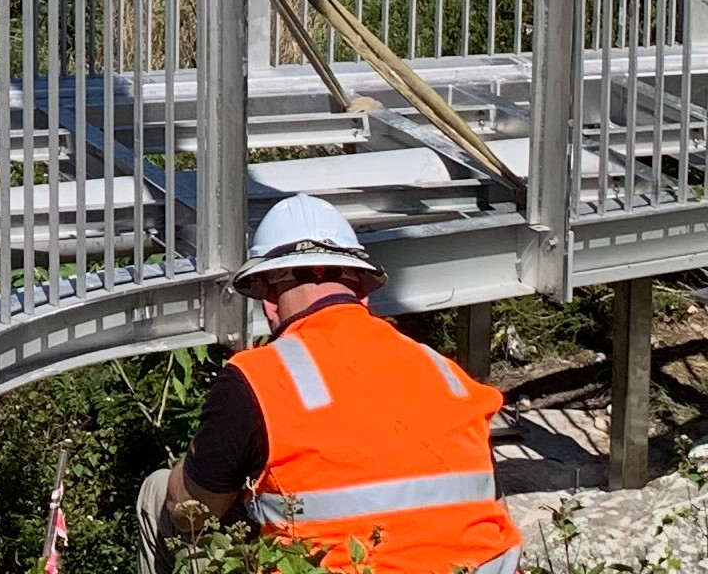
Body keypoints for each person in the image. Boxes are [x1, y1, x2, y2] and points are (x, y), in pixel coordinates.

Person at [137, 194, 523, 574]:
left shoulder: (256, 378)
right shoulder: (444, 371)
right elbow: (495, 508)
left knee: (160, 491)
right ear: (363, 291)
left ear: (269, 299)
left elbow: (192, 509)